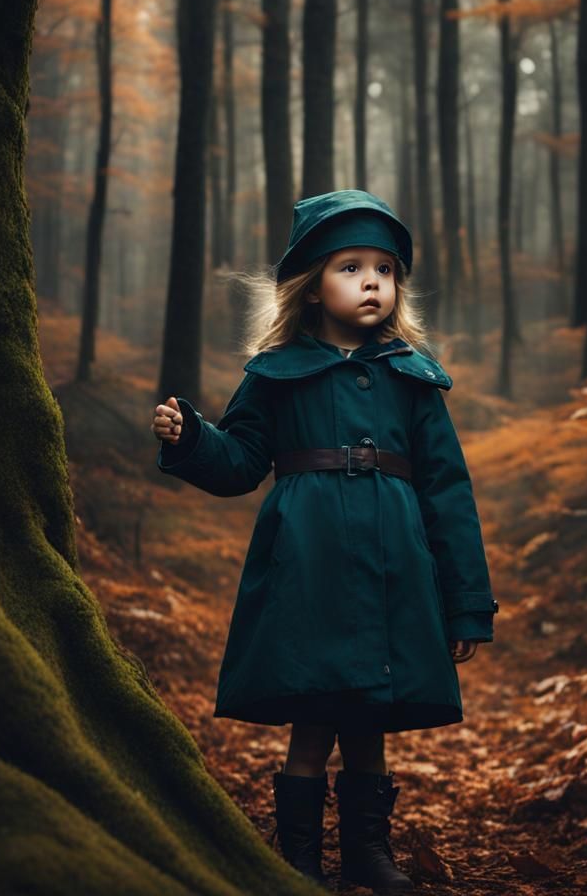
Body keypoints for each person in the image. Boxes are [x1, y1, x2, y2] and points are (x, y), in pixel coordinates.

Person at [151, 189, 499, 894]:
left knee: (368, 716)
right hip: (305, 567)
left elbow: (448, 494)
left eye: (384, 268)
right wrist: (192, 440)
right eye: (350, 267)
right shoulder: (275, 375)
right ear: (312, 288)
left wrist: (465, 606)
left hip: (393, 568)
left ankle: (368, 855)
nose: (372, 280)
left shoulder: (413, 380)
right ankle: (301, 859)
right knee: (312, 716)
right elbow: (243, 461)